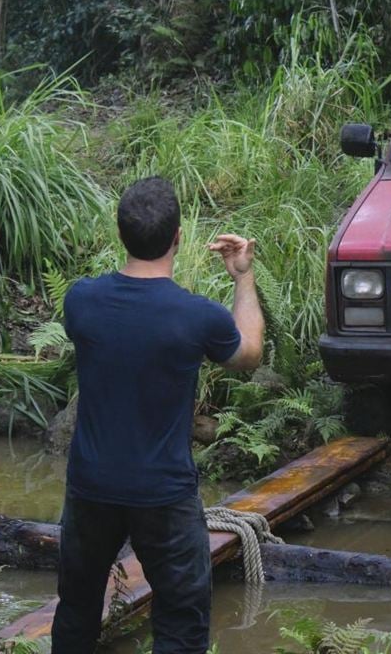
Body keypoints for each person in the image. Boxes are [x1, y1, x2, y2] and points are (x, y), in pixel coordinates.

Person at [51, 176, 264, 653]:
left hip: (91, 487)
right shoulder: (196, 316)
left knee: (76, 609)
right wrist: (243, 275)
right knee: (181, 620)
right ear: (179, 237)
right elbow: (248, 353)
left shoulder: (81, 301)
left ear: (120, 233)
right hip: (164, 494)